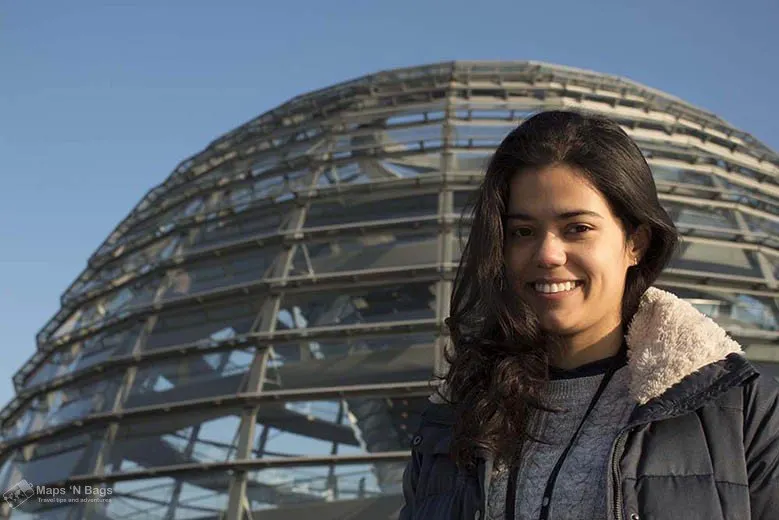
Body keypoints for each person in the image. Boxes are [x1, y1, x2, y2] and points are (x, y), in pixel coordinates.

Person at [399, 111, 779, 519]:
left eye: (577, 228)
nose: (548, 254)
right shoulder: (453, 418)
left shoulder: (742, 411)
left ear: (636, 242)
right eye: (522, 232)